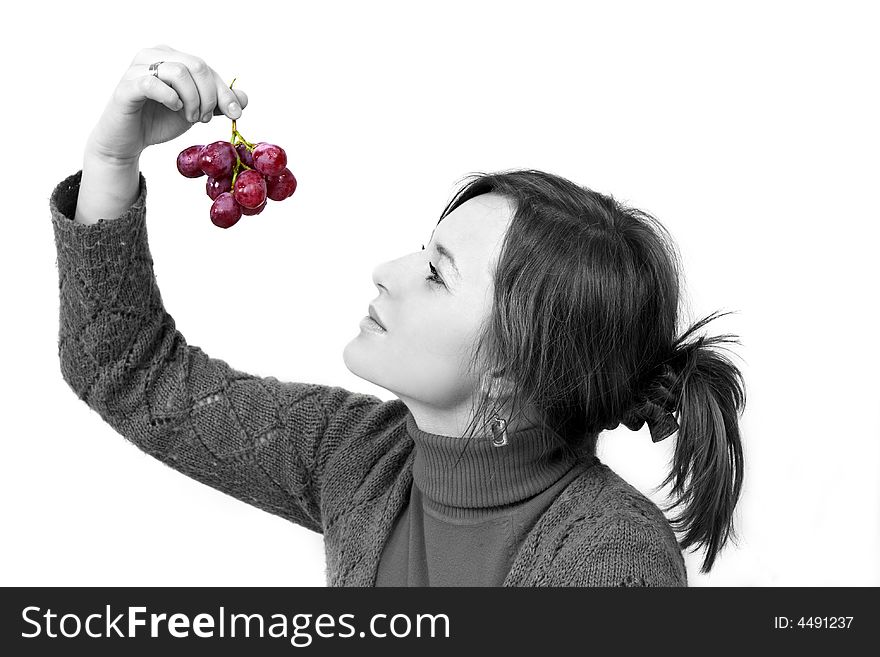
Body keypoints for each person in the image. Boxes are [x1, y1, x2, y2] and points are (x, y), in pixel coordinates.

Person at [50, 45, 746, 587]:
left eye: (438, 272)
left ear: (509, 369)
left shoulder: (612, 558)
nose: (387, 271)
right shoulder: (357, 455)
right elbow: (125, 368)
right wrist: (113, 155)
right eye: (422, 249)